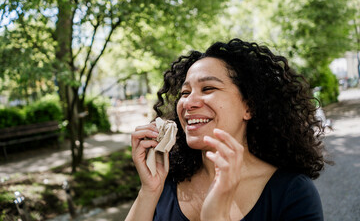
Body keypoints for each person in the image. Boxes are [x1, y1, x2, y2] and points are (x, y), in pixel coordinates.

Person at [125, 38, 330, 221]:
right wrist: (149, 191)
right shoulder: (166, 181)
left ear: (248, 107)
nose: (188, 103)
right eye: (185, 92)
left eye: (208, 88)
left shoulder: (292, 192)